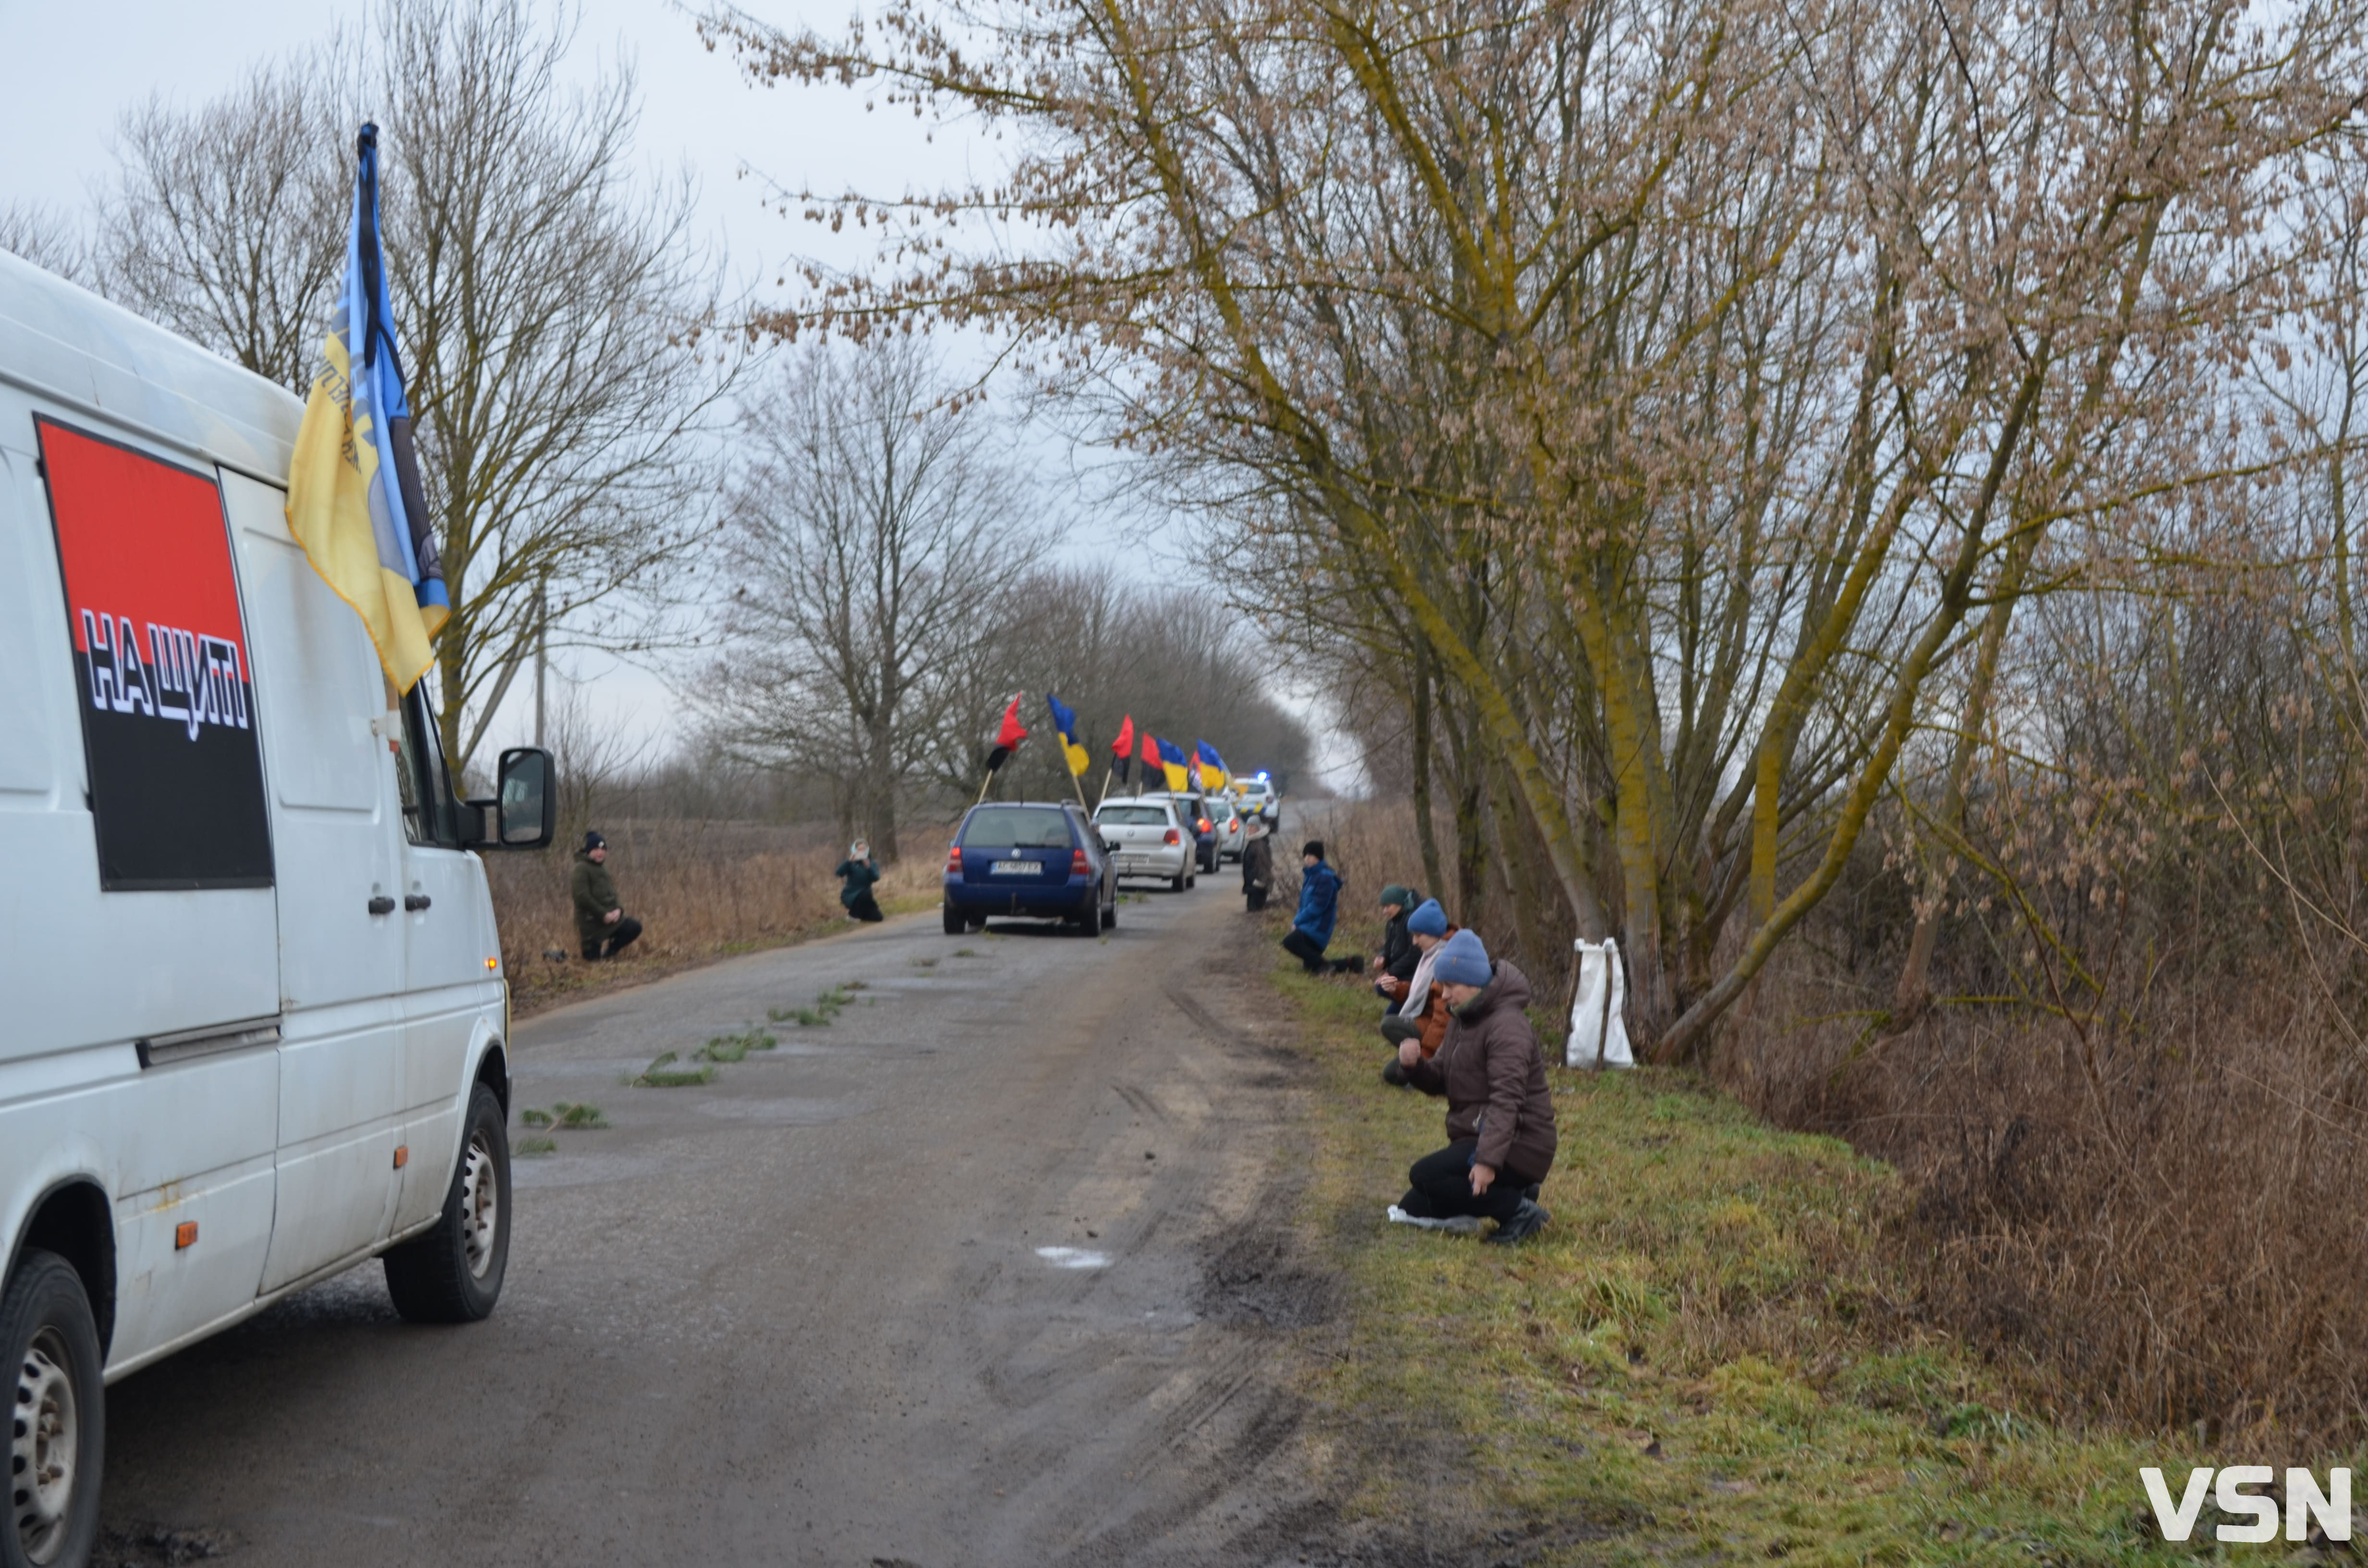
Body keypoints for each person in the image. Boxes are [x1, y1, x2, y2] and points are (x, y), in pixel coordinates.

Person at [1392, 929, 1555, 1243]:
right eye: (1443, 987)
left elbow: (1507, 1101)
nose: (1445, 996)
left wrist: (1486, 1161)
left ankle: (1517, 1210)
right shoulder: (1462, 1018)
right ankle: (1518, 1191)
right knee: (1412, 1206)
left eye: (1451, 986)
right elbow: (1441, 1077)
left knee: (1424, 1175)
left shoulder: (1508, 1026)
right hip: (1477, 1136)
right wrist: (1414, 1066)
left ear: (1475, 982)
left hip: (1519, 1142)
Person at [1377, 898, 1455, 1085]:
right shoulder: (1431, 955)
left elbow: (1444, 1020)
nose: (1414, 941)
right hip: (1426, 1022)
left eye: (1418, 935)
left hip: (1443, 1035)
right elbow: (1422, 992)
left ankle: (1438, 1068)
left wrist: (1426, 1057)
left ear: (1434, 933)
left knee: (1390, 1024)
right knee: (1391, 1074)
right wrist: (1398, 989)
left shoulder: (1445, 962)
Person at [1280, 841, 1363, 975]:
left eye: (1311, 855)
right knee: (1311, 967)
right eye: (1305, 855)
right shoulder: (1311, 877)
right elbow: (1304, 905)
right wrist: (1299, 920)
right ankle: (1351, 963)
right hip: (1309, 926)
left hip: (1319, 928)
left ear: (1319, 857)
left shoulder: (1325, 878)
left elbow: (1318, 907)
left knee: (1290, 942)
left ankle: (1325, 966)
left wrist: (1297, 921)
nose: (1307, 858)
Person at [570, 831, 643, 962]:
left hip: (611, 921)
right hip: (591, 925)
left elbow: (613, 893)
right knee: (592, 962)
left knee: (634, 927)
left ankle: (610, 953)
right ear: (589, 851)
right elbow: (582, 897)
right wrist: (603, 915)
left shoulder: (602, 867)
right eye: (596, 849)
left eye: (603, 849)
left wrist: (619, 910)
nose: (601, 852)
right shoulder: (581, 869)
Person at [1369, 884, 1421, 1003]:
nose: (1385, 911)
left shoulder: (1411, 921)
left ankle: (1413, 1006)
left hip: (1413, 975)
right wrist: (1383, 958)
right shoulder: (1391, 924)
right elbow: (1388, 947)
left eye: (1388, 907)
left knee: (1381, 987)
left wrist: (1390, 972)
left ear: (1400, 904)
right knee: (1389, 1020)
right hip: (1401, 972)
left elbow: (1415, 954)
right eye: (1383, 907)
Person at [835, 838, 886, 922]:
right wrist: (849, 862)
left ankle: (860, 915)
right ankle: (852, 915)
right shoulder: (851, 864)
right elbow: (839, 873)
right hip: (851, 894)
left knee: (878, 918)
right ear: (855, 851)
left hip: (866, 896)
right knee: (865, 893)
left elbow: (876, 878)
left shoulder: (872, 864)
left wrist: (869, 867)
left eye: (864, 850)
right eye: (859, 850)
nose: (862, 852)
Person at [1240, 816, 1274, 911]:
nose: (1249, 828)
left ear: (1258, 828)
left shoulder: (1260, 845)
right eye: (1249, 826)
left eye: (1252, 826)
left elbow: (1266, 865)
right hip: (1252, 886)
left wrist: (1260, 882)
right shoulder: (1253, 842)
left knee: (1255, 911)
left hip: (1258, 887)